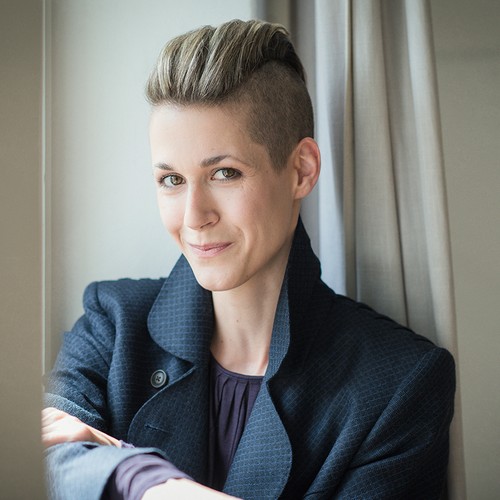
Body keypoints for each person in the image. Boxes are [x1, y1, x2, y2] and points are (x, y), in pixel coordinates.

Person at [42, 19, 455, 500]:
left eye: (224, 173)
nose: (194, 217)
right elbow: (41, 461)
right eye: (172, 180)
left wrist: (142, 479)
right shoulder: (112, 325)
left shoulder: (398, 384)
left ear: (301, 170)